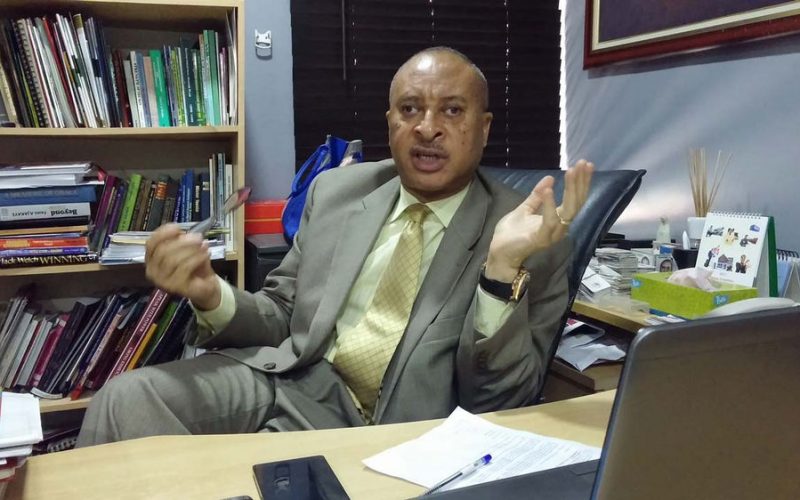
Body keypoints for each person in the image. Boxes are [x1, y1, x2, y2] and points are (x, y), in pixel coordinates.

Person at [77, 47, 593, 446]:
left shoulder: (530, 235)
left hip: (399, 425)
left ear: (483, 129)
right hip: (292, 380)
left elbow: (502, 401)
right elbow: (283, 314)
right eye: (410, 109)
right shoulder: (339, 192)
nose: (428, 128)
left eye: (452, 111)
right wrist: (210, 293)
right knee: (127, 400)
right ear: (390, 122)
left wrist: (500, 273)